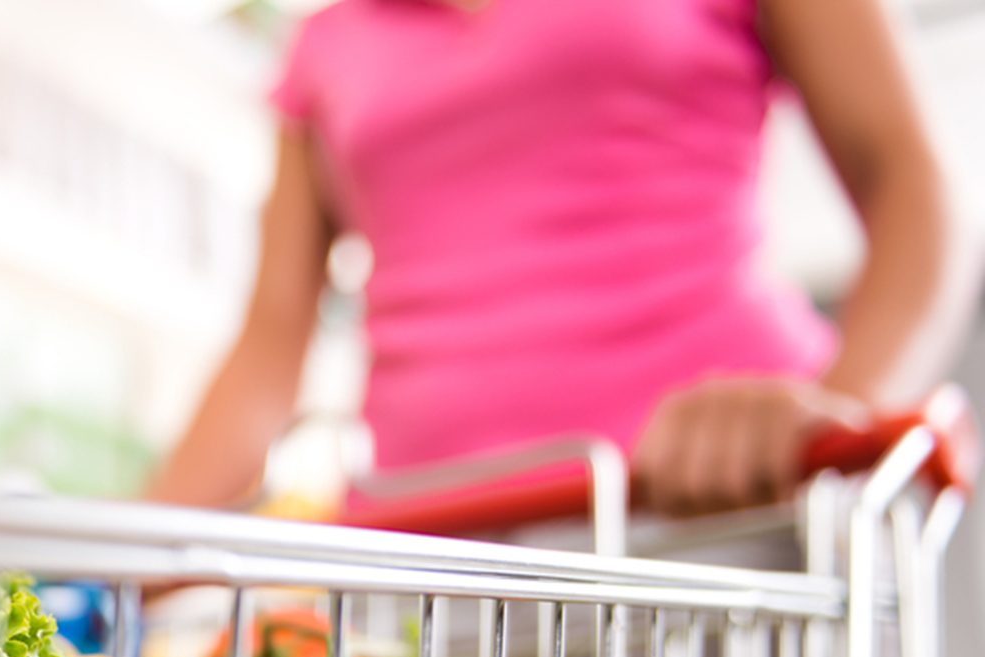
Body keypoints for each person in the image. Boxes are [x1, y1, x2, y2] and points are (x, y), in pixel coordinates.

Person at [148, 0, 974, 515]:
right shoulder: (327, 39)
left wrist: (842, 415)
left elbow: (916, 190)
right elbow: (269, 345)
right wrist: (107, 561)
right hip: (436, 558)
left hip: (715, 523)